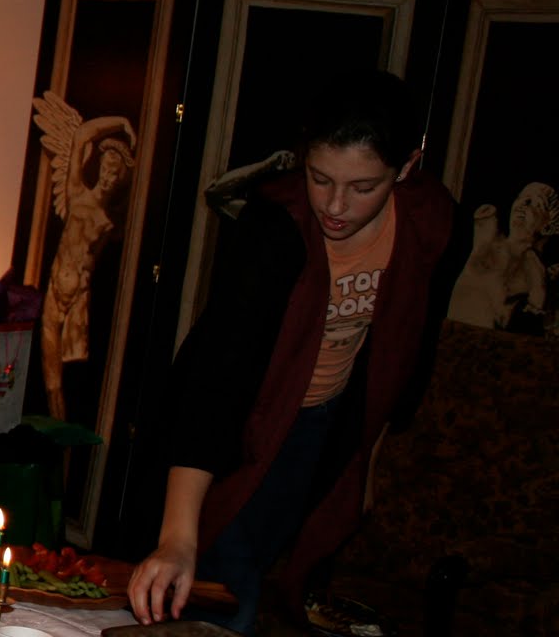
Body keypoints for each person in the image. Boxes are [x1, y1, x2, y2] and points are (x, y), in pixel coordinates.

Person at [127, 70, 467, 634]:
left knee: (256, 573)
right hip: (230, 423)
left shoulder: (434, 224)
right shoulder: (273, 227)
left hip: (319, 424)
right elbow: (217, 381)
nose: (335, 205)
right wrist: (177, 539)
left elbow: (409, 350)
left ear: (408, 167)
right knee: (210, 578)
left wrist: (370, 457)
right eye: (319, 177)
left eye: (363, 187)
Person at [31, 90, 137, 420]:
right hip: (54, 291)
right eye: (105, 168)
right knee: (51, 379)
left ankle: (67, 439)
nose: (108, 175)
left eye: (114, 172)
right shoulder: (77, 194)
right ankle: (52, 435)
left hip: (78, 300)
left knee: (74, 377)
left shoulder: (111, 219)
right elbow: (81, 136)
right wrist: (120, 122)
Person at [447, 181, 558, 335]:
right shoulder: (489, 231)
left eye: (537, 203)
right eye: (521, 197)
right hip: (448, 333)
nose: (523, 203)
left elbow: (535, 316)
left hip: (479, 340)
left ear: (547, 226)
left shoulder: (535, 268)